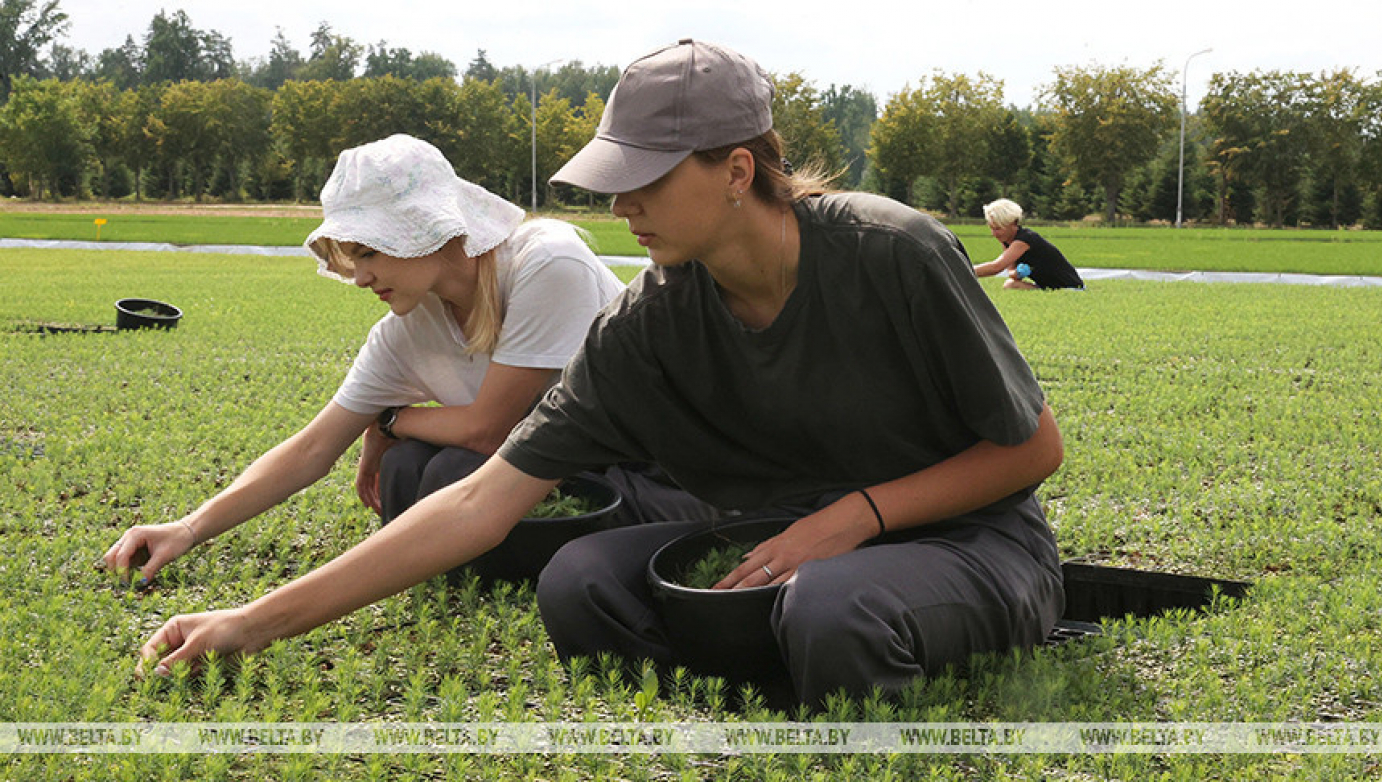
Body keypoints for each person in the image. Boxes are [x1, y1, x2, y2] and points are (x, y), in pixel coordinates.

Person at [130, 41, 1065, 709]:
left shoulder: (890, 250)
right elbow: (478, 506)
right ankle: (782, 665)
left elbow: (1032, 449)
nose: (621, 206)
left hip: (968, 542)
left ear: (737, 169)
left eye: (646, 181)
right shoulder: (648, 318)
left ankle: (819, 651)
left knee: (833, 607)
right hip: (777, 545)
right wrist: (252, 621)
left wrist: (854, 518)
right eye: (615, 179)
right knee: (578, 583)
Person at [102, 133, 705, 587]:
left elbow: (487, 427)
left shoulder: (547, 263)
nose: (360, 276)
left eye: (370, 251)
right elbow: (312, 448)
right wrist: (187, 529)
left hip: (655, 474)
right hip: (551, 473)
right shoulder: (406, 327)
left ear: (428, 231)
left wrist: (387, 420)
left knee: (443, 472)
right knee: (406, 472)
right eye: (351, 255)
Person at [973, 198, 1083, 290]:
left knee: (1010, 285)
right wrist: (1017, 273)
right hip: (1047, 286)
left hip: (1069, 287)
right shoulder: (1007, 241)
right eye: (992, 229)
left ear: (1013, 224)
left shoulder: (1025, 239)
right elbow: (1010, 271)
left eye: (998, 229)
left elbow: (997, 267)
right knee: (1010, 284)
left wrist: (962, 270)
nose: (994, 234)